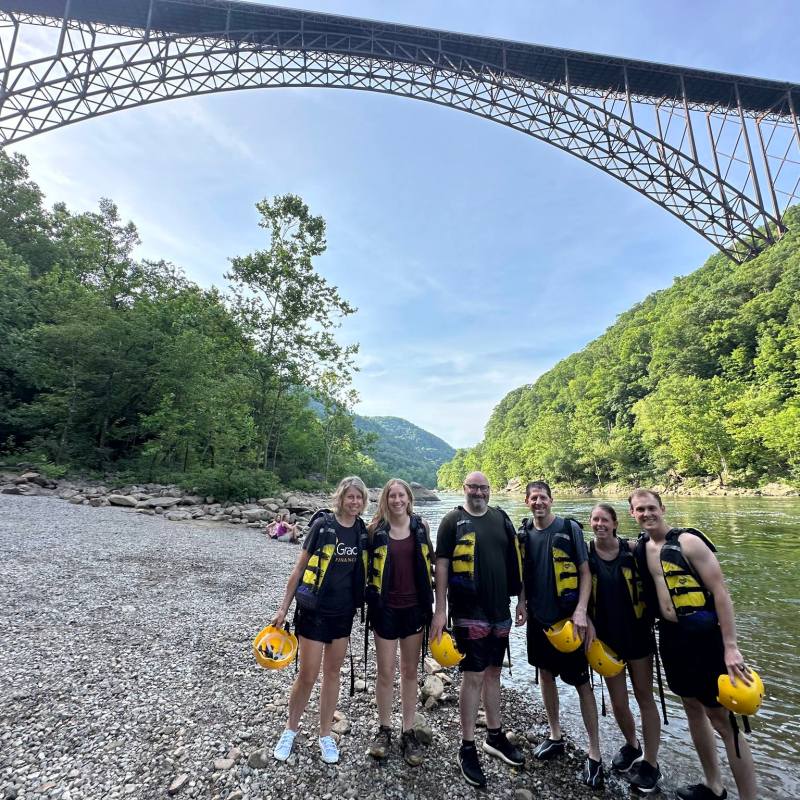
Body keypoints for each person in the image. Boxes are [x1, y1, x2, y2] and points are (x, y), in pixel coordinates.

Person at [630, 489, 757, 800]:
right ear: (632, 513)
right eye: (640, 510)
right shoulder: (642, 547)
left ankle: (749, 797)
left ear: (662, 508)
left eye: (651, 508)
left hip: (705, 640)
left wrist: (731, 646)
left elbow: (722, 594)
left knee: (723, 720)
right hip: (672, 638)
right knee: (691, 707)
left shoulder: (688, 543)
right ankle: (714, 785)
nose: (647, 514)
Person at [430, 471, 525, 788]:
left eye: (484, 487)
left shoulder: (501, 518)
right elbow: (442, 565)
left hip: (500, 611)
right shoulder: (450, 522)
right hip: (468, 612)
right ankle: (467, 746)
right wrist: (439, 610)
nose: (479, 492)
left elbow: (517, 562)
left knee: (494, 673)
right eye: (473, 487)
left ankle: (495, 736)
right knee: (472, 677)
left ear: (490, 490)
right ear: (464, 489)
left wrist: (522, 601)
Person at [269, 476, 369, 765]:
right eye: (350, 497)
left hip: (343, 614)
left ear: (364, 501)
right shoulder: (322, 527)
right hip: (313, 612)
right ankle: (290, 730)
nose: (354, 502)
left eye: (359, 498)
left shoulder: (362, 531)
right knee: (307, 675)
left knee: (333, 674)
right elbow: (299, 569)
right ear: (340, 498)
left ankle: (325, 734)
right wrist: (283, 609)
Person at [517, 480, 603, 788]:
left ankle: (595, 752)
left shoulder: (569, 529)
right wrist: (522, 604)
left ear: (551, 500)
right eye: (533, 498)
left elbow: (585, 572)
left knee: (581, 683)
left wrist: (581, 610)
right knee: (545, 675)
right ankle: (556, 735)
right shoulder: (525, 533)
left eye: (543, 497)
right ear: (527, 502)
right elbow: (524, 575)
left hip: (568, 620)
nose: (538, 503)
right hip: (539, 620)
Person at [586, 503, 662, 794]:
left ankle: (651, 764)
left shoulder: (633, 550)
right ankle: (633, 744)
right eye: (595, 520)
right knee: (618, 702)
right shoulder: (587, 553)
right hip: (606, 641)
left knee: (644, 697)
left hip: (638, 636)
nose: (599, 524)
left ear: (615, 523)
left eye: (605, 519)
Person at [365, 478, 434, 766]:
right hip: (385, 609)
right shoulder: (374, 530)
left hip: (414, 609)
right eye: (392, 495)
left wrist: (439, 608)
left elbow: (433, 564)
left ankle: (408, 731)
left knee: (408, 672)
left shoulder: (421, 527)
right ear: (385, 499)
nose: (397, 500)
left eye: (401, 495)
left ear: (409, 498)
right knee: (385, 672)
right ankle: (384, 729)